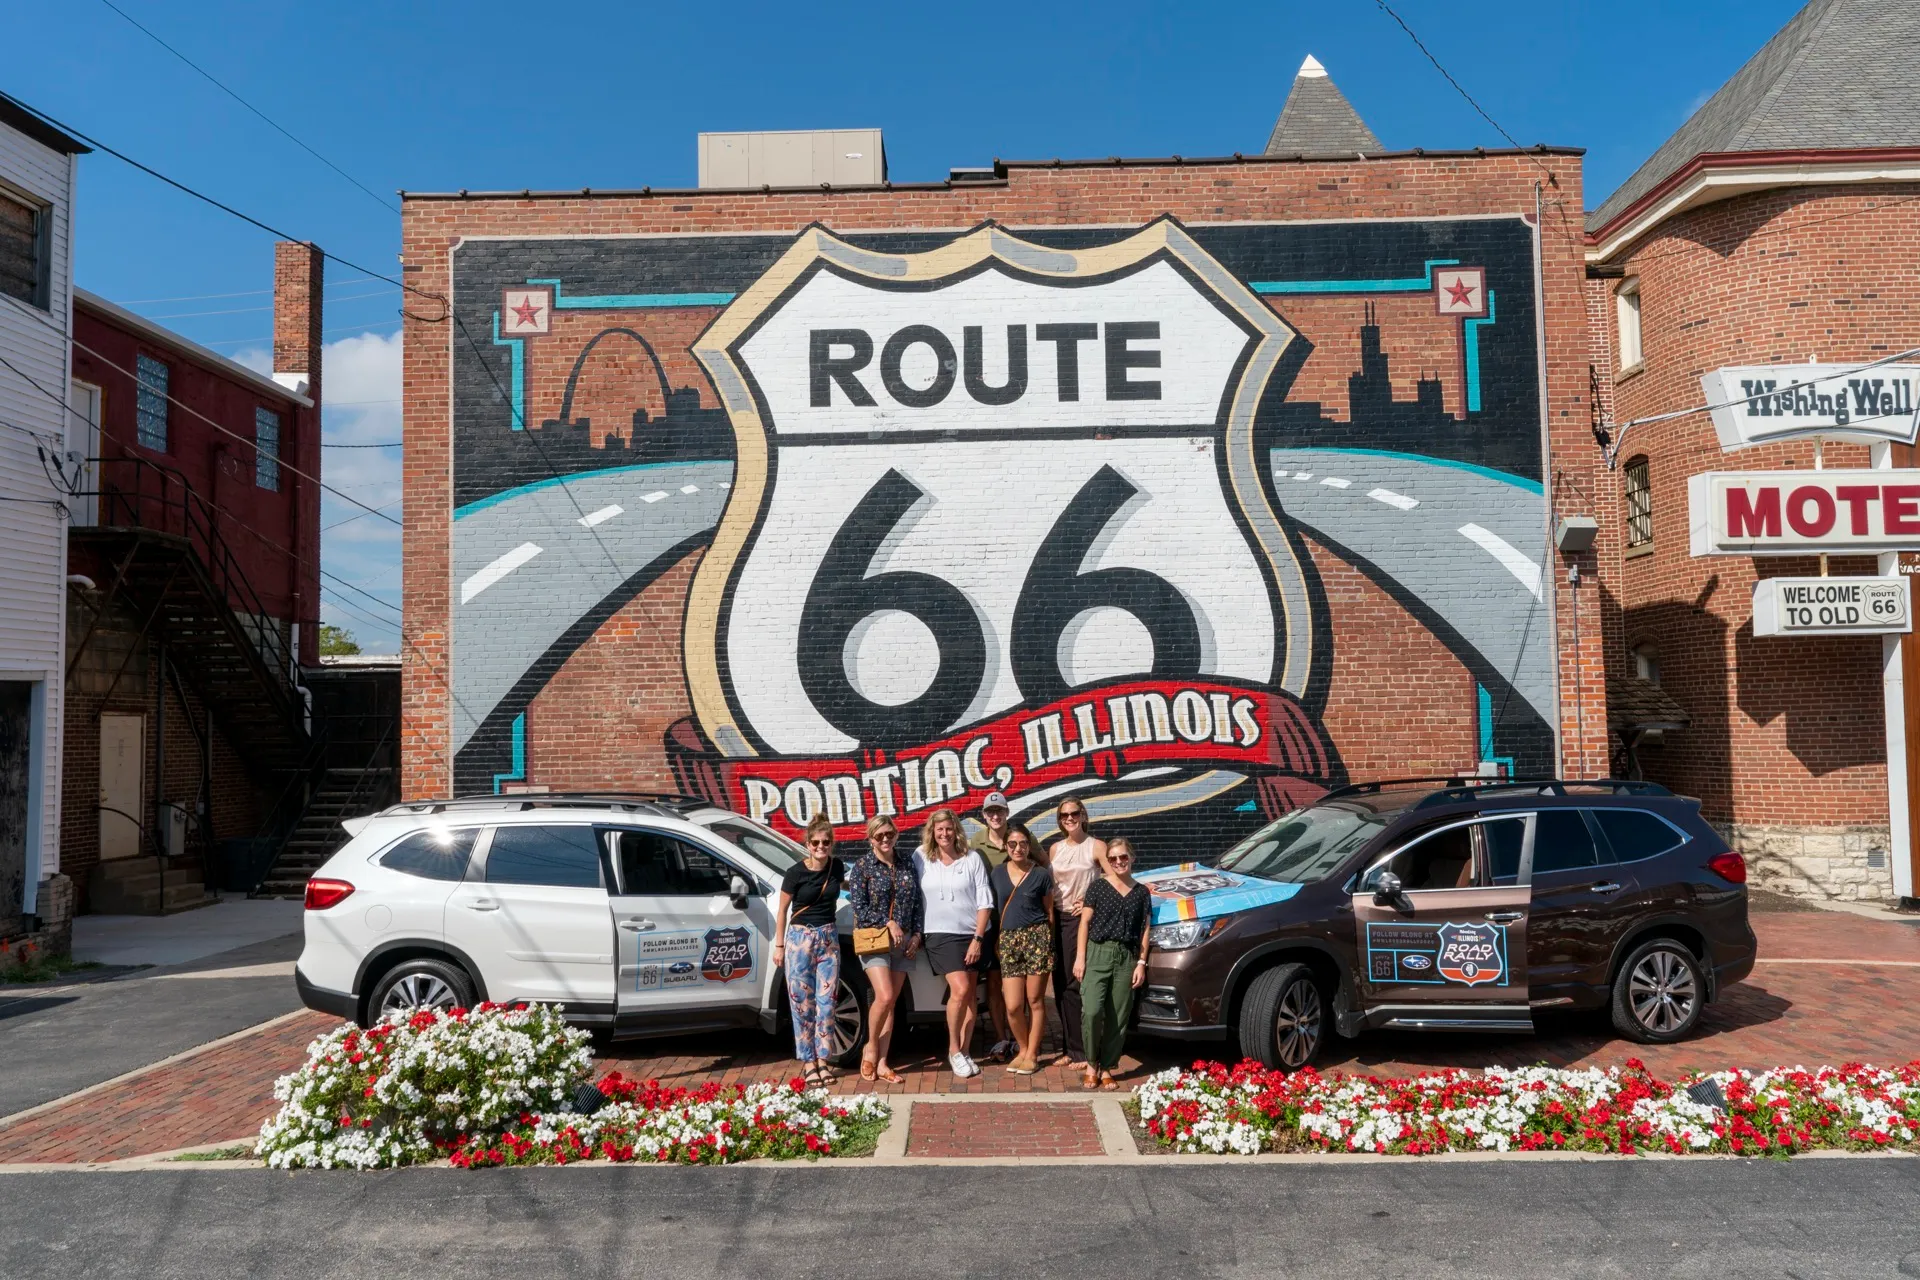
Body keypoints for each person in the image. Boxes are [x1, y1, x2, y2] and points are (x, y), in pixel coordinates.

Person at [914, 806, 994, 1078]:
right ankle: (953, 1050)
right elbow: (909, 893)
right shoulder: (921, 857)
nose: (945, 834)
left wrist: (978, 939)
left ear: (956, 830)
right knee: (959, 990)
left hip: (971, 934)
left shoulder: (971, 858)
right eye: (939, 830)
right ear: (932, 832)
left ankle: (966, 1050)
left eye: (949, 829)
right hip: (939, 934)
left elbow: (985, 902)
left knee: (970, 995)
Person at [846, 813, 922, 1085]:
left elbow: (915, 904)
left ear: (896, 835)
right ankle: (870, 1047)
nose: (886, 839)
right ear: (871, 839)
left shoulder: (906, 864)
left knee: (891, 1004)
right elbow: (859, 908)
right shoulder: (863, 867)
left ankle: (882, 1063)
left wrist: (917, 936)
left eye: (890, 834)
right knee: (885, 995)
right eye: (880, 836)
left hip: (903, 942)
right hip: (874, 940)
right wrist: (888, 922)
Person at [1073, 836, 1152, 1091]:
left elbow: (1145, 929)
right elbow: (1084, 923)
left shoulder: (1141, 892)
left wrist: (1141, 962)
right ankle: (1091, 1063)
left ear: (1132, 858)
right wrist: (1081, 958)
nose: (1119, 862)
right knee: (1092, 1011)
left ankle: (1107, 1066)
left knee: (1118, 1015)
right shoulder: (1098, 887)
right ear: (1107, 861)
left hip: (1126, 957)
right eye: (1113, 858)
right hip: (1098, 952)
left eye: (1123, 857)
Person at [773, 814, 846, 1086]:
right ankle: (808, 1061)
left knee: (827, 1002)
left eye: (826, 842)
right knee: (802, 1003)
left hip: (828, 938)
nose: (820, 847)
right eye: (815, 842)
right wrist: (779, 945)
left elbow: (844, 886)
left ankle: (824, 1060)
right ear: (807, 843)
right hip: (799, 940)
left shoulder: (836, 867)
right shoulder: (795, 873)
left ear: (831, 844)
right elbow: (781, 910)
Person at [990, 824, 1054, 1074]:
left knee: (1035, 999)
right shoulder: (997, 873)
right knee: (1013, 1004)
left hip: (1037, 937)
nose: (1018, 848)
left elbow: (1049, 912)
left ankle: (1032, 1054)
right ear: (1006, 846)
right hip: (1008, 939)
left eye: (1023, 844)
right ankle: (1024, 1047)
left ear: (1029, 846)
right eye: (1012, 844)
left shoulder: (1041, 874)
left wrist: (1049, 943)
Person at [1046, 796, 1101, 1069]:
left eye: (1074, 813)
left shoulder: (1096, 846)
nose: (1070, 818)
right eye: (1064, 815)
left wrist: (1091, 900)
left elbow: (1114, 876)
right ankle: (1069, 1047)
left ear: (1083, 815)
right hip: (1057, 919)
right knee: (1059, 984)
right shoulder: (1055, 849)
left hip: (1079, 920)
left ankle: (1081, 1050)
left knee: (1074, 984)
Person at [967, 791, 1020, 1061]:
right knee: (995, 980)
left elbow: (1042, 865)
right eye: (990, 812)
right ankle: (1002, 1038)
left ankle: (1020, 1037)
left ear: (1006, 812)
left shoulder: (1019, 837)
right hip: (991, 922)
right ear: (984, 816)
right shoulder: (976, 842)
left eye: (999, 811)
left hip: (1018, 922)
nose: (995, 816)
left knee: (1020, 982)